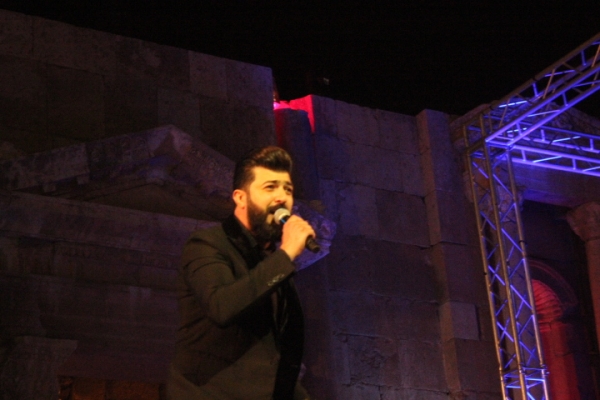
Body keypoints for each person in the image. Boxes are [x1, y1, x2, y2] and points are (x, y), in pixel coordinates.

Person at [167, 146, 315, 400]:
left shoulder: (273, 261)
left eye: (288, 189)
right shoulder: (207, 244)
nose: (282, 197)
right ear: (240, 198)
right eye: (270, 187)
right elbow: (222, 306)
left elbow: (272, 354)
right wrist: (286, 253)